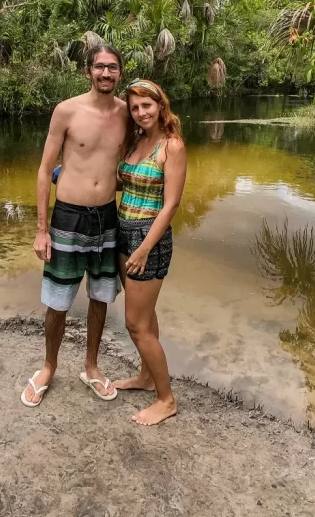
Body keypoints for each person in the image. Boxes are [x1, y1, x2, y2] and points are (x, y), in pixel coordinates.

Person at [22, 46, 130, 408]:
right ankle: (49, 366)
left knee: (101, 296)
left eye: (112, 68)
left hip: (108, 218)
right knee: (58, 300)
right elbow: (43, 170)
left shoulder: (126, 114)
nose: (105, 73)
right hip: (68, 216)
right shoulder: (66, 110)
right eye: (99, 67)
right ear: (88, 71)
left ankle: (92, 366)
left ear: (120, 73)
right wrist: (41, 228)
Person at [112, 79, 187, 425]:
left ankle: (166, 399)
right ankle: (145, 377)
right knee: (146, 316)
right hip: (123, 232)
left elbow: (170, 205)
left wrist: (143, 248)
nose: (141, 113)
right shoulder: (136, 141)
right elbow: (121, 182)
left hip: (148, 239)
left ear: (160, 106)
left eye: (147, 106)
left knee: (135, 324)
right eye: (135, 107)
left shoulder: (172, 147)